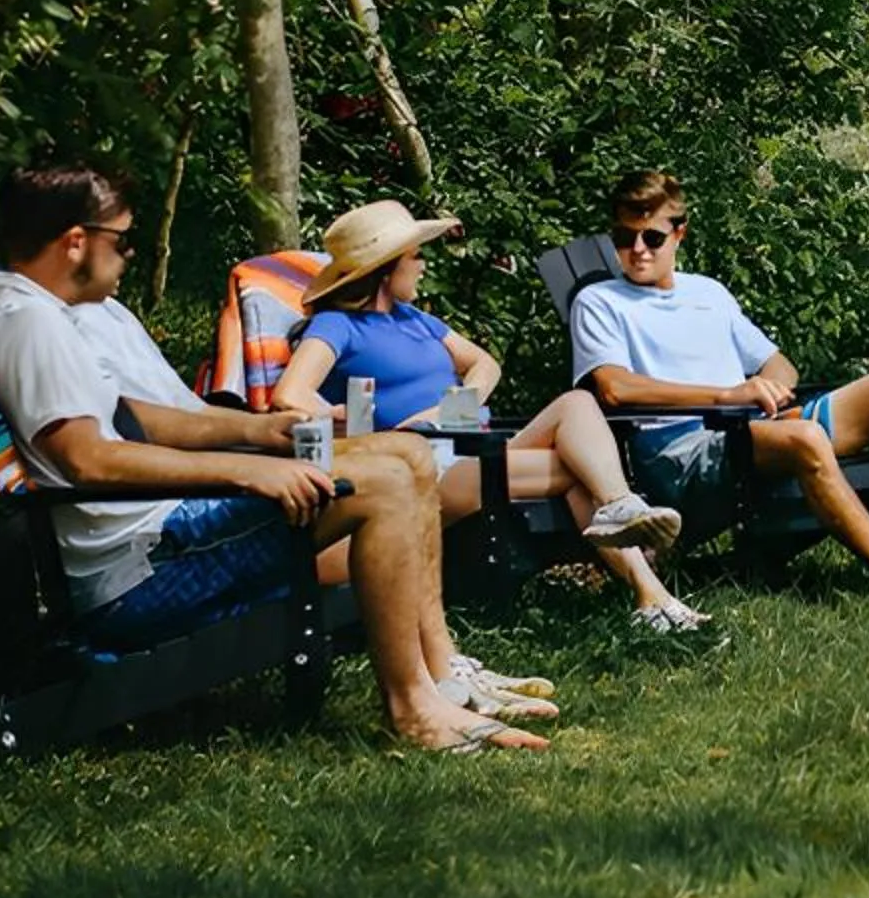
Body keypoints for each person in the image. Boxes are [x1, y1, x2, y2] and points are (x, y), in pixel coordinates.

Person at [0, 165, 547, 753]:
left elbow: (140, 418)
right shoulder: (28, 323)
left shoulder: (39, 311)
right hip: (141, 570)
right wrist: (250, 469)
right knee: (387, 481)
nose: (129, 254)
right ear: (75, 242)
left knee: (407, 452)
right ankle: (413, 710)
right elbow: (89, 461)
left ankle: (441, 678)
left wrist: (262, 432)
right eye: (122, 240)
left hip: (158, 535)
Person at [276, 199, 708, 633]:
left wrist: (448, 410)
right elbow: (290, 394)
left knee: (577, 405)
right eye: (416, 256)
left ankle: (634, 548)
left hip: (470, 443)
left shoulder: (416, 320)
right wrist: (344, 419)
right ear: (386, 268)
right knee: (579, 469)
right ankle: (647, 580)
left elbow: (485, 364)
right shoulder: (338, 325)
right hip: (423, 466)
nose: (424, 265)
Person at [571, 170, 869, 602]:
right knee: (805, 436)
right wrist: (728, 397)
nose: (638, 250)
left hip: (753, 428)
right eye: (624, 238)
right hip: (681, 451)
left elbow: (778, 365)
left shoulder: (708, 293)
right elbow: (615, 389)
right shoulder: (599, 301)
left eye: (652, 237)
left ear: (680, 233)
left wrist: (769, 396)